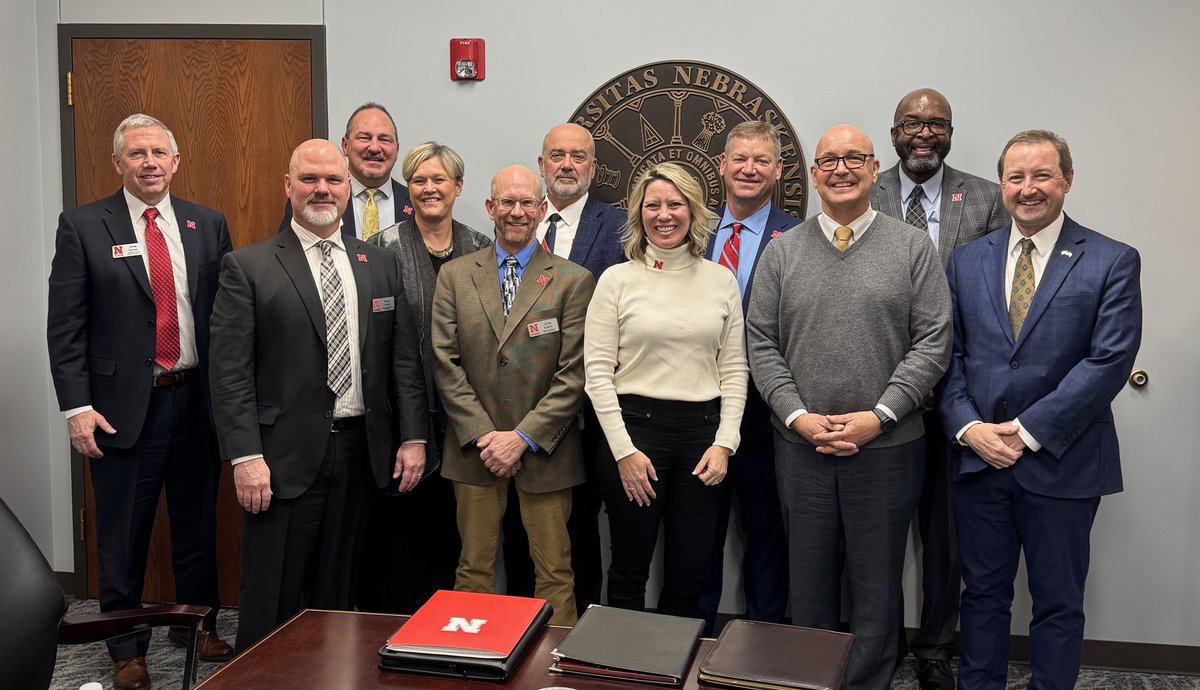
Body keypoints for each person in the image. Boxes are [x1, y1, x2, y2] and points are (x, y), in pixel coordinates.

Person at [746, 124, 951, 690]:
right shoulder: (782, 252)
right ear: (812, 174)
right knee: (807, 583)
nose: (841, 169)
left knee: (876, 586)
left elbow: (933, 340)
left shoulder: (912, 247)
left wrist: (879, 416)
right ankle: (811, 682)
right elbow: (759, 341)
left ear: (873, 167)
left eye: (853, 158)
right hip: (800, 448)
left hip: (887, 449)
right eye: (828, 160)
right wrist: (797, 417)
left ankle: (866, 684)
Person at [939, 130, 1142, 690]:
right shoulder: (964, 261)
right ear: (1002, 184)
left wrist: (1026, 432)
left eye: (1042, 176)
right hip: (980, 461)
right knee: (980, 596)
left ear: (1067, 180)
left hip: (1063, 462)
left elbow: (1107, 363)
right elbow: (947, 357)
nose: (1028, 189)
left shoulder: (1112, 260)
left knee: (1058, 602)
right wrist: (969, 428)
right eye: (1016, 177)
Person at [209, 139, 428, 650]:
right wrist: (245, 456)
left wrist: (414, 436)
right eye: (309, 179)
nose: (322, 189)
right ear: (289, 187)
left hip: (360, 452)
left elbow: (402, 361)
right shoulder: (249, 267)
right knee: (273, 594)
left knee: (339, 589)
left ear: (348, 187)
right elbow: (229, 374)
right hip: (280, 458)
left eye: (332, 179)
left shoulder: (379, 262)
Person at [47, 113, 233, 690]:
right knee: (123, 536)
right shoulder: (82, 226)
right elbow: (66, 326)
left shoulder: (207, 224)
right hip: (122, 410)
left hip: (194, 401)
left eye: (159, 153)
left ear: (176, 162)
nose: (149, 163)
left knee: (197, 525)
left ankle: (196, 625)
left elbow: (225, 320)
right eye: (137, 154)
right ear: (117, 164)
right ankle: (127, 648)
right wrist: (76, 407)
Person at [869, 87, 1009, 689]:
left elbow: (995, 298)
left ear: (949, 131)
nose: (923, 134)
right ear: (893, 132)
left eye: (936, 124)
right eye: (911, 124)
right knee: (875, 533)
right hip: (875, 399)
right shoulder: (861, 191)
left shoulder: (982, 197)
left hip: (956, 400)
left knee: (946, 539)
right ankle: (872, 643)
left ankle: (933, 647)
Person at [432, 164, 594, 627]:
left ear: (542, 210)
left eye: (526, 203)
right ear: (490, 207)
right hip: (473, 451)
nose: (516, 212)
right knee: (473, 569)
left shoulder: (573, 280)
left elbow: (573, 374)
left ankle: (552, 668)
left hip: (546, 451)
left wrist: (521, 437)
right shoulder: (456, 276)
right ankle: (469, 664)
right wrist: (487, 436)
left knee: (555, 572)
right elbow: (445, 363)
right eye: (507, 202)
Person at [584, 162, 747, 619]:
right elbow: (596, 374)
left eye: (675, 204)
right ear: (639, 214)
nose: (664, 214)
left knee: (689, 573)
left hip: (702, 440)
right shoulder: (617, 281)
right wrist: (623, 451)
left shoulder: (720, 280)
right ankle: (623, 674)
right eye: (652, 205)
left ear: (693, 211)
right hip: (634, 436)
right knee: (629, 568)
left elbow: (734, 369)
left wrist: (725, 444)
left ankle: (673, 672)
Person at [360, 142, 491, 613]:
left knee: (458, 534)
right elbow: (374, 343)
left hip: (469, 417)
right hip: (400, 417)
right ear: (407, 189)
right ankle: (395, 629)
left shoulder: (482, 247)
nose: (429, 189)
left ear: (457, 187)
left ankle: (445, 629)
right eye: (418, 180)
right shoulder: (380, 249)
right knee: (401, 531)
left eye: (439, 180)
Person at [503, 122, 626, 614]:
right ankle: (514, 629)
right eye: (557, 155)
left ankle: (579, 636)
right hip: (516, 410)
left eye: (579, 157)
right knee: (517, 528)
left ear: (594, 168)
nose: (567, 165)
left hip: (591, 412)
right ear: (541, 164)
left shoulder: (618, 226)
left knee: (580, 530)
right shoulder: (515, 224)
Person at [697, 120, 793, 634]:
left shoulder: (798, 236)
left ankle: (763, 644)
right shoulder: (691, 230)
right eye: (740, 159)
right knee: (699, 537)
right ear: (722, 166)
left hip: (765, 416)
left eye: (761, 161)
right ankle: (693, 640)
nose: (749, 169)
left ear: (777, 171)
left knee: (766, 534)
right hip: (699, 412)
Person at [278, 102, 413, 239]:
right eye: (364, 138)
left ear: (397, 150)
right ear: (345, 145)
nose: (374, 148)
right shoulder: (314, 196)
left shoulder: (415, 203)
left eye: (384, 140)